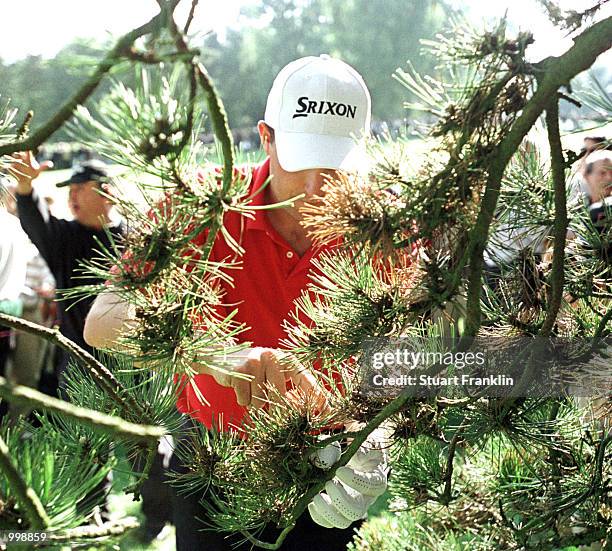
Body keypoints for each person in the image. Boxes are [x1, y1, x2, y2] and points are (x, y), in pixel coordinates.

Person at [84, 55, 387, 550]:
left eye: (334, 165)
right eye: (300, 161)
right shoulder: (202, 204)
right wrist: (214, 353)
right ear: (267, 138)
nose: (315, 188)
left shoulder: (382, 228)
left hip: (328, 464)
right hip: (211, 462)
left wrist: (373, 432)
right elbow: (102, 321)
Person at [8, 156, 125, 385]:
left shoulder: (135, 239)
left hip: (132, 369)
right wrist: (24, 187)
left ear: (108, 192)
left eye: (80, 188)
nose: (72, 196)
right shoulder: (64, 238)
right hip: (79, 368)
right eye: (69, 189)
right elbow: (36, 222)